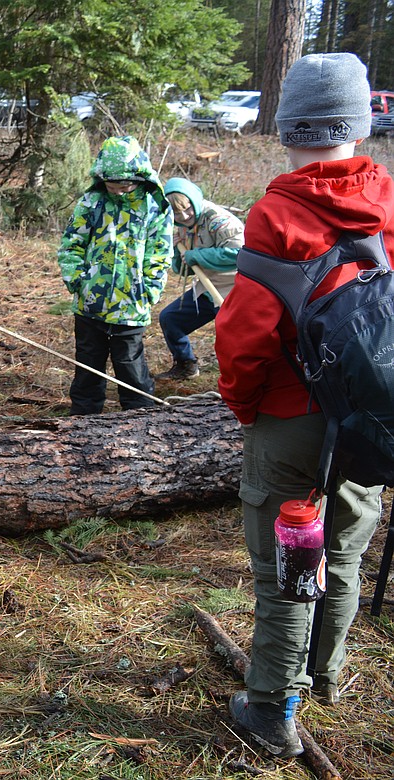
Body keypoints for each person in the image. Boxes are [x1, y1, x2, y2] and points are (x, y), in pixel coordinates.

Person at [214, 52, 386, 758]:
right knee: (342, 553)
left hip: (291, 419)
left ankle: (270, 712)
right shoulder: (389, 202)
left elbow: (245, 339)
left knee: (288, 569)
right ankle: (327, 676)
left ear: (287, 128)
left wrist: (248, 409)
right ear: (362, 123)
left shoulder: (278, 214)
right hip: (372, 420)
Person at [57, 135, 171, 415]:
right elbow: (72, 243)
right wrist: (77, 280)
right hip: (90, 304)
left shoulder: (153, 206)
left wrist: (149, 290)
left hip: (131, 305)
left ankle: (141, 420)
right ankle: (83, 420)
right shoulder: (92, 202)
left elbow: (160, 252)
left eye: (125, 186)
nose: (118, 192)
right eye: (112, 186)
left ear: (139, 177)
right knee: (87, 365)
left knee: (130, 366)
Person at [154, 177, 244, 380]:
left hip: (235, 289)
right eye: (176, 212)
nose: (183, 216)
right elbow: (184, 269)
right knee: (170, 319)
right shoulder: (182, 226)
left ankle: (239, 378)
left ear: (194, 201)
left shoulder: (220, 221)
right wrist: (178, 253)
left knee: (230, 337)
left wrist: (196, 255)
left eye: (186, 209)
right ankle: (186, 366)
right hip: (207, 288)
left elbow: (240, 254)